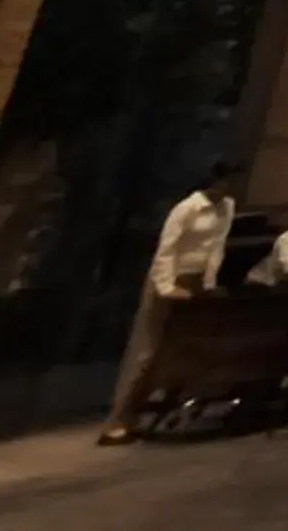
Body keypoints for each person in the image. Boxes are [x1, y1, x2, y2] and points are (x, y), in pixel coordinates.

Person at [100, 159, 237, 443]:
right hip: (171, 278)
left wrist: (209, 284)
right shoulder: (187, 208)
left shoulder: (227, 207)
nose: (228, 188)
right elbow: (167, 249)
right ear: (215, 181)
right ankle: (119, 417)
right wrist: (166, 286)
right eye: (226, 182)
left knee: (177, 350)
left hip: (196, 280)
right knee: (147, 351)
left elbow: (216, 248)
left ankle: (152, 409)